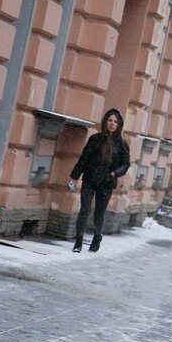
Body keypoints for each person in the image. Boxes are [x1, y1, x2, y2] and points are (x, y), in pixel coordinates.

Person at [69, 108, 130, 253]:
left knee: (99, 213)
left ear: (119, 125)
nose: (112, 123)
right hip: (90, 179)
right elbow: (84, 158)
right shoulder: (95, 139)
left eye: (115, 121)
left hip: (106, 182)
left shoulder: (122, 144)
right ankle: (78, 242)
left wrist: (115, 173)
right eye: (109, 120)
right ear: (105, 122)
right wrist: (74, 176)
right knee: (84, 210)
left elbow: (126, 163)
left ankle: (97, 237)